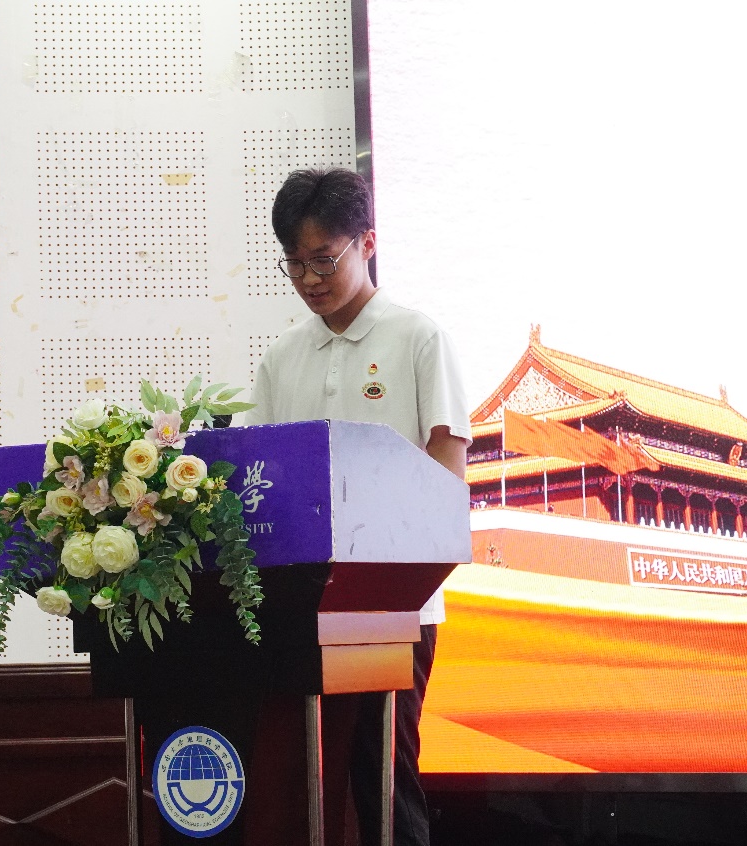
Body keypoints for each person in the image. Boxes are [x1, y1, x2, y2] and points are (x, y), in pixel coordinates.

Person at [243, 167, 471, 846]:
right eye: (294, 263)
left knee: (383, 783)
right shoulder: (282, 357)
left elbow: (446, 473)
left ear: (366, 242)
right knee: (303, 786)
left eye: (323, 259)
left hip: (393, 608)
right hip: (300, 611)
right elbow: (263, 483)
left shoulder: (416, 338)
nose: (309, 279)